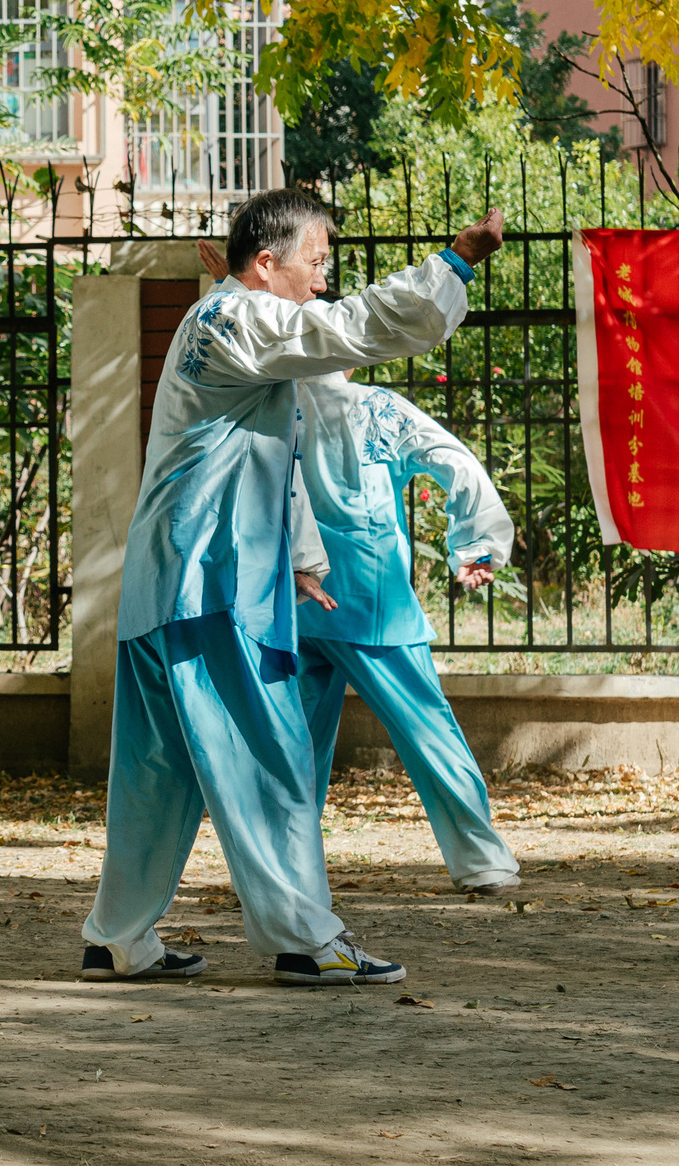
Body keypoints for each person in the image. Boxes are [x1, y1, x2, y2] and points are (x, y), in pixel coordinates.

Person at [82, 188, 504, 988]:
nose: (322, 282)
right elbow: (348, 330)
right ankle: (306, 939)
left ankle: (117, 937)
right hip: (212, 582)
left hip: (170, 582)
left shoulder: (227, 323)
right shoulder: (241, 319)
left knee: (157, 773)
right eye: (315, 263)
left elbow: (270, 453)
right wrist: (455, 263)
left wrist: (304, 558)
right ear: (267, 263)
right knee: (274, 757)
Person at [195, 237, 522, 896]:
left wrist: (234, 281)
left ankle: (280, 874)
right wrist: (476, 545)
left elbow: (249, 336)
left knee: (295, 747)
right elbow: (454, 463)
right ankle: (481, 860)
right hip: (370, 601)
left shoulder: (274, 400)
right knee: (425, 729)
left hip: (294, 597)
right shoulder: (375, 408)